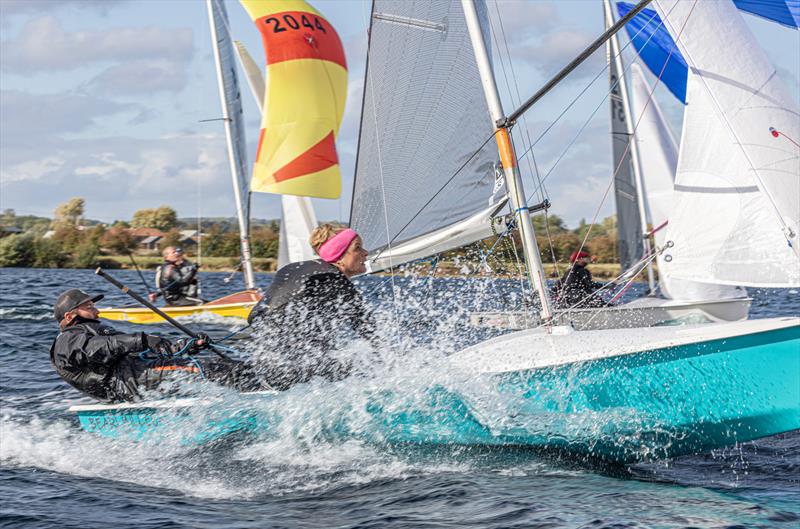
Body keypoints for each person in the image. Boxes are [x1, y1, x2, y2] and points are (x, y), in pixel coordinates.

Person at [49, 288, 267, 403]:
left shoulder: (87, 332)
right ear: (70, 316)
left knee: (218, 365)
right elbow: (103, 347)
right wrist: (143, 339)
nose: (96, 311)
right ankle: (265, 395)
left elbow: (127, 351)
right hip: (129, 383)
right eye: (88, 307)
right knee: (213, 370)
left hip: (138, 373)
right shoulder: (68, 340)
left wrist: (185, 346)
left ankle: (262, 384)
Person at [247, 224, 377, 390]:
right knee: (362, 366)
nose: (365, 253)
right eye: (358, 248)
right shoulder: (335, 281)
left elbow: (256, 318)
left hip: (264, 362)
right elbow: (370, 331)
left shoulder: (292, 268)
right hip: (293, 371)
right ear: (338, 255)